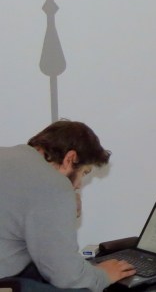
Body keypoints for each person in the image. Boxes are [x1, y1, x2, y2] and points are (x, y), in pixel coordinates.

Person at [0, 120, 136, 291]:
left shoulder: (8, 155)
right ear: (70, 158)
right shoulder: (52, 185)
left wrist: (64, 208)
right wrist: (103, 275)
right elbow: (67, 277)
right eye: (84, 173)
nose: (78, 185)